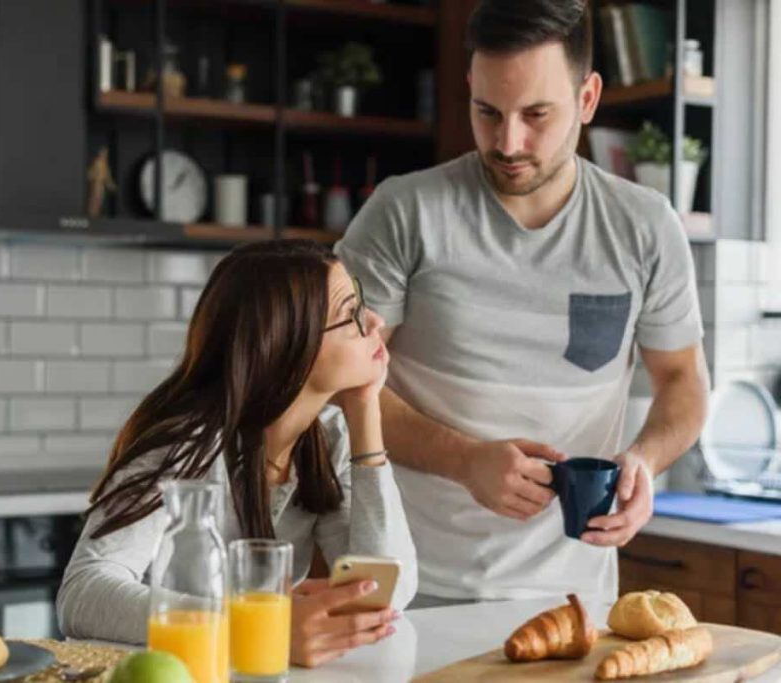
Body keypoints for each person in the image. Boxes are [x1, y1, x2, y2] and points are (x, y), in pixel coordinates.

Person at [335, 0, 709, 607]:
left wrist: (645, 458)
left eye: (537, 114)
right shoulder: (404, 211)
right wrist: (463, 460)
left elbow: (683, 379)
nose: (508, 142)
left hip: (574, 604)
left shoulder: (645, 227)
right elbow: (338, 384)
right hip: (409, 594)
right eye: (488, 112)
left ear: (587, 99)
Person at [57, 240, 417, 668]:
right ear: (287, 347)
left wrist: (365, 410)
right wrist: (261, 629)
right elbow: (82, 593)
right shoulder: (185, 445)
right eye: (349, 314)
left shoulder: (331, 438)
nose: (374, 320)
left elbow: (384, 594)